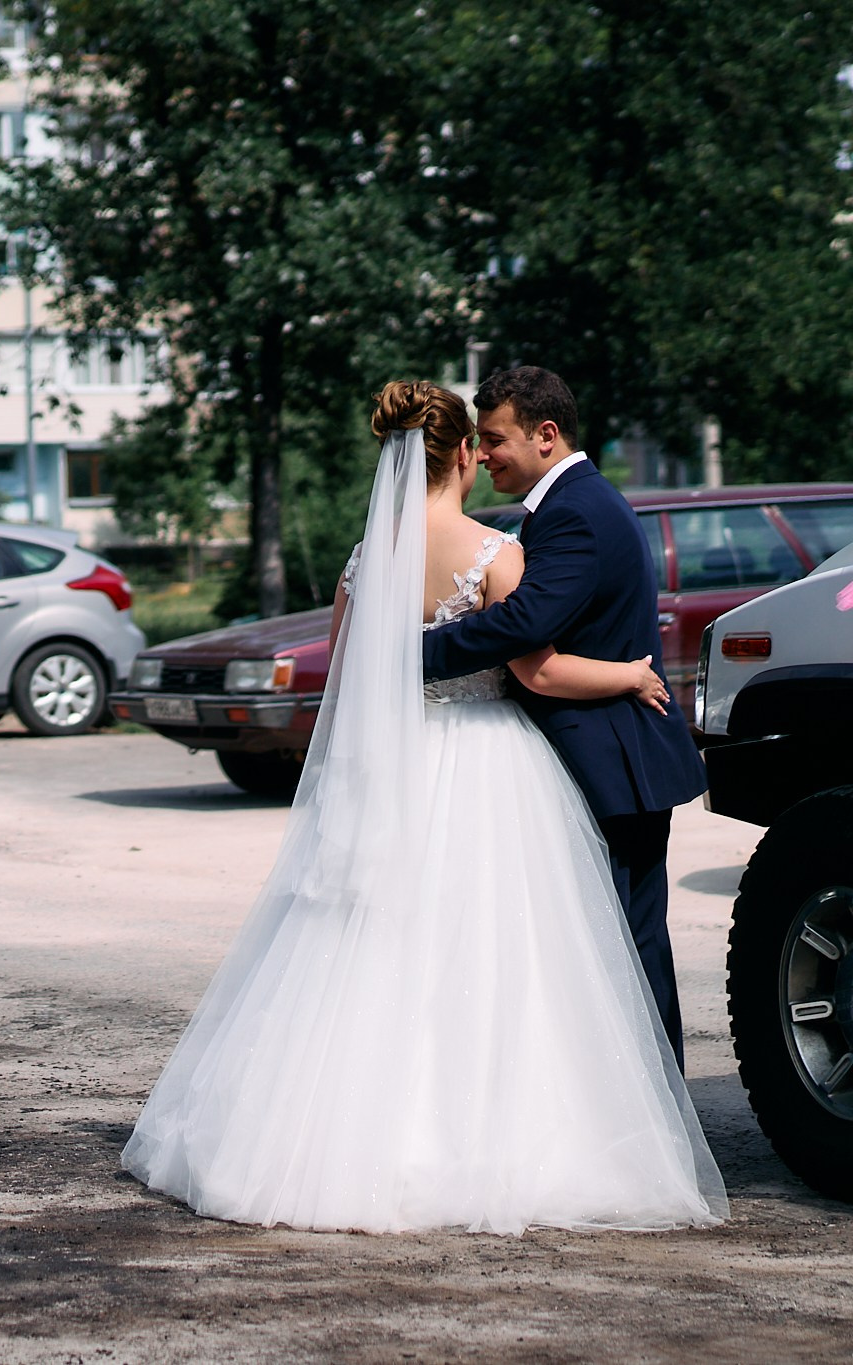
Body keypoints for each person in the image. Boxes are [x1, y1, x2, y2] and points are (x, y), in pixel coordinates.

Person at [121, 381, 725, 1233]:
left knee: (378, 949)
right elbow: (535, 669)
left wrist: (391, 660)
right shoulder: (493, 551)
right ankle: (526, 1131)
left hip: (397, 764)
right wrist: (630, 673)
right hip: (488, 763)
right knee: (508, 956)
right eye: (481, 441)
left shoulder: (364, 559)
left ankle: (332, 1137)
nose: (489, 452)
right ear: (465, 457)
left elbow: (343, 675)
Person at [419, 365, 708, 1070]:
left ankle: (652, 1111)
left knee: (620, 949)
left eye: (496, 440)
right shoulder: (575, 503)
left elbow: (527, 622)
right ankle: (648, 1107)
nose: (483, 455)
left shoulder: (573, 512)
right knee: (621, 944)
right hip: (611, 749)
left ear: (546, 435)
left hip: (608, 760)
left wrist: (402, 654)